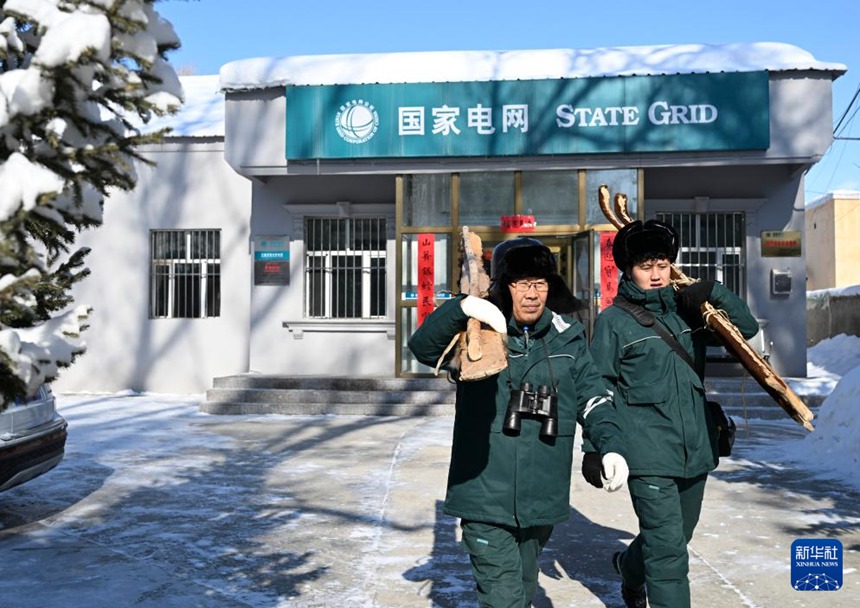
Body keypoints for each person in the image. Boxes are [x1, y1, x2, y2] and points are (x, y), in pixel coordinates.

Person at [408, 237, 629, 608]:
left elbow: (594, 397)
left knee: (524, 589)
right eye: (520, 283)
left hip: (542, 496)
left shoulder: (568, 336)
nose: (531, 293)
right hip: (483, 493)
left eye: (539, 283)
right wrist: (463, 308)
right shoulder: (477, 331)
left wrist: (610, 446)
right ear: (503, 286)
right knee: (504, 599)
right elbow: (423, 348)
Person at [582, 220, 759, 608]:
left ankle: (630, 568)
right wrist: (595, 446)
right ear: (628, 270)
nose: (657, 274)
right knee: (668, 553)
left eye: (662, 263)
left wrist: (715, 293)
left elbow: (744, 332)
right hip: (646, 453)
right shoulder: (615, 322)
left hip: (695, 446)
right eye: (646, 266)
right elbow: (598, 386)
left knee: (678, 536)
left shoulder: (689, 312)